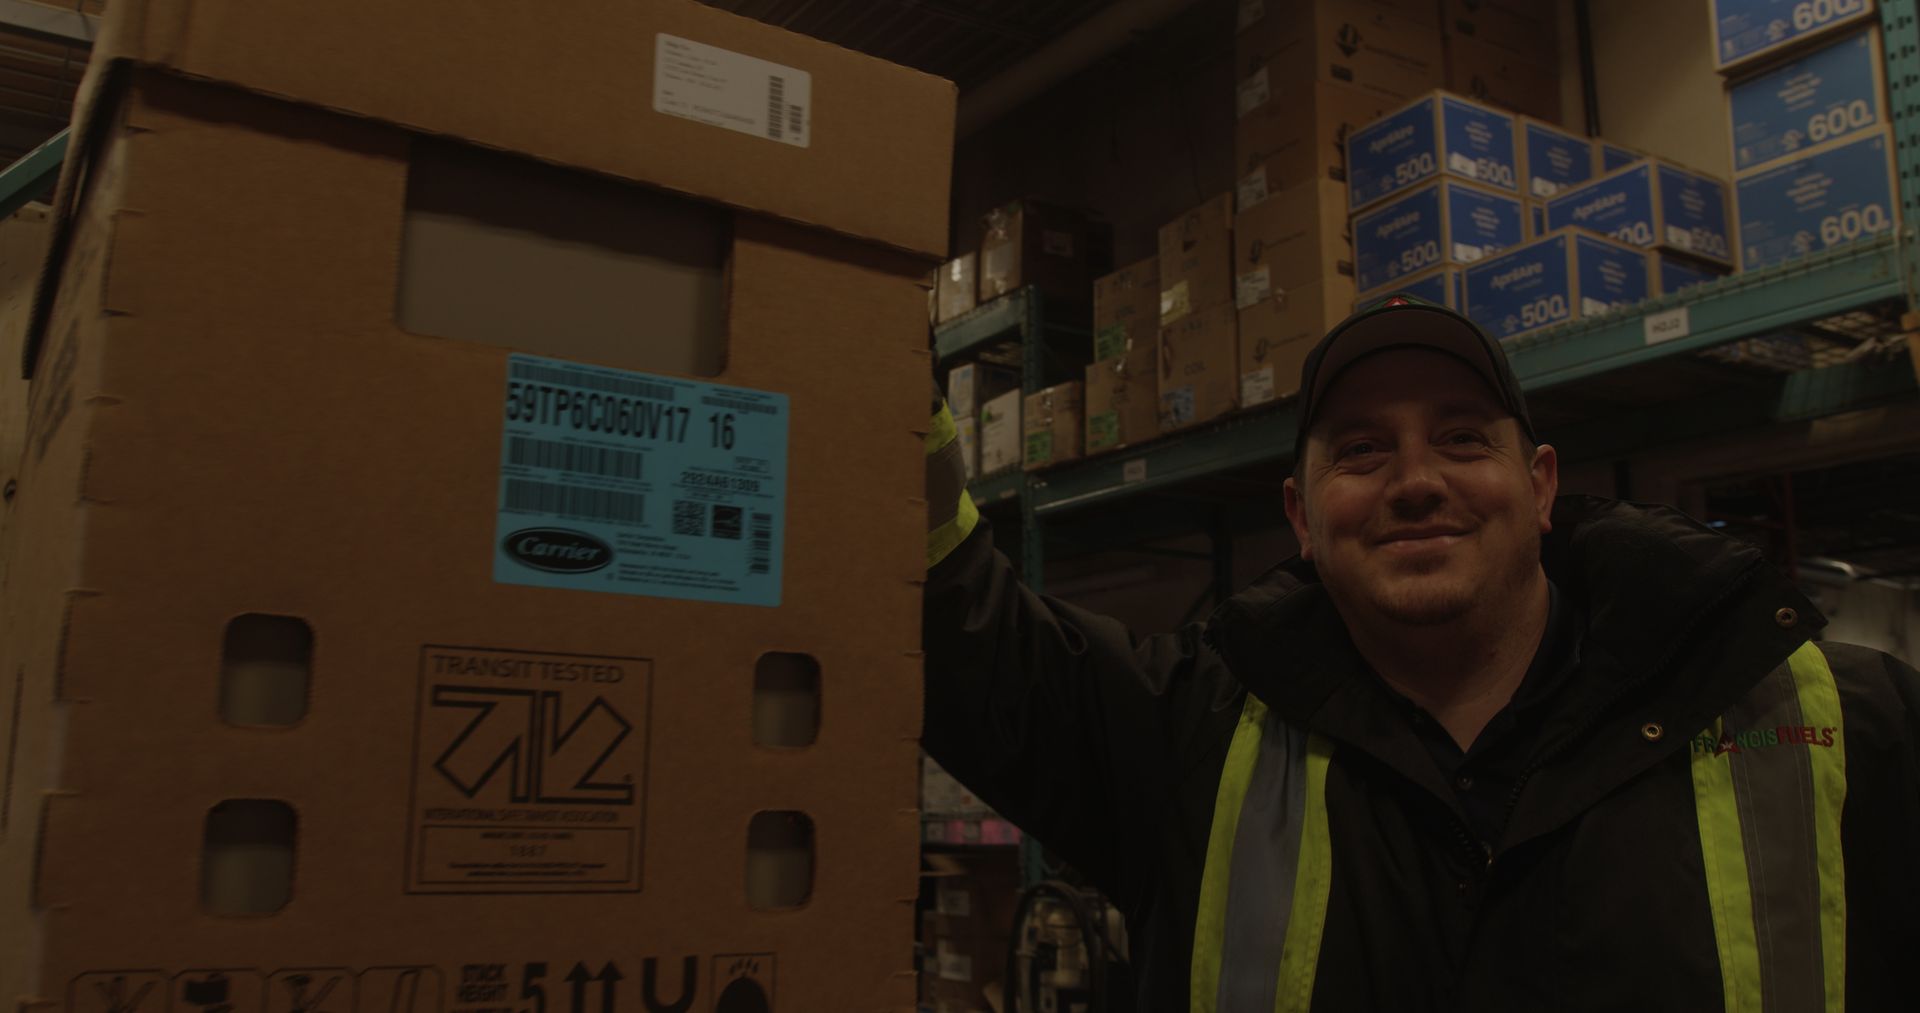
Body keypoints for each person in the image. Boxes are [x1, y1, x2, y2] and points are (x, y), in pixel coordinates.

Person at [920, 295, 1920, 1012]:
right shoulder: (1192, 732)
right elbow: (958, 635)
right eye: (1359, 451)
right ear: (1300, 516)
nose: (1414, 480)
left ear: (1538, 485)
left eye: (1461, 438)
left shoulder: (1838, 722)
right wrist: (878, 361)